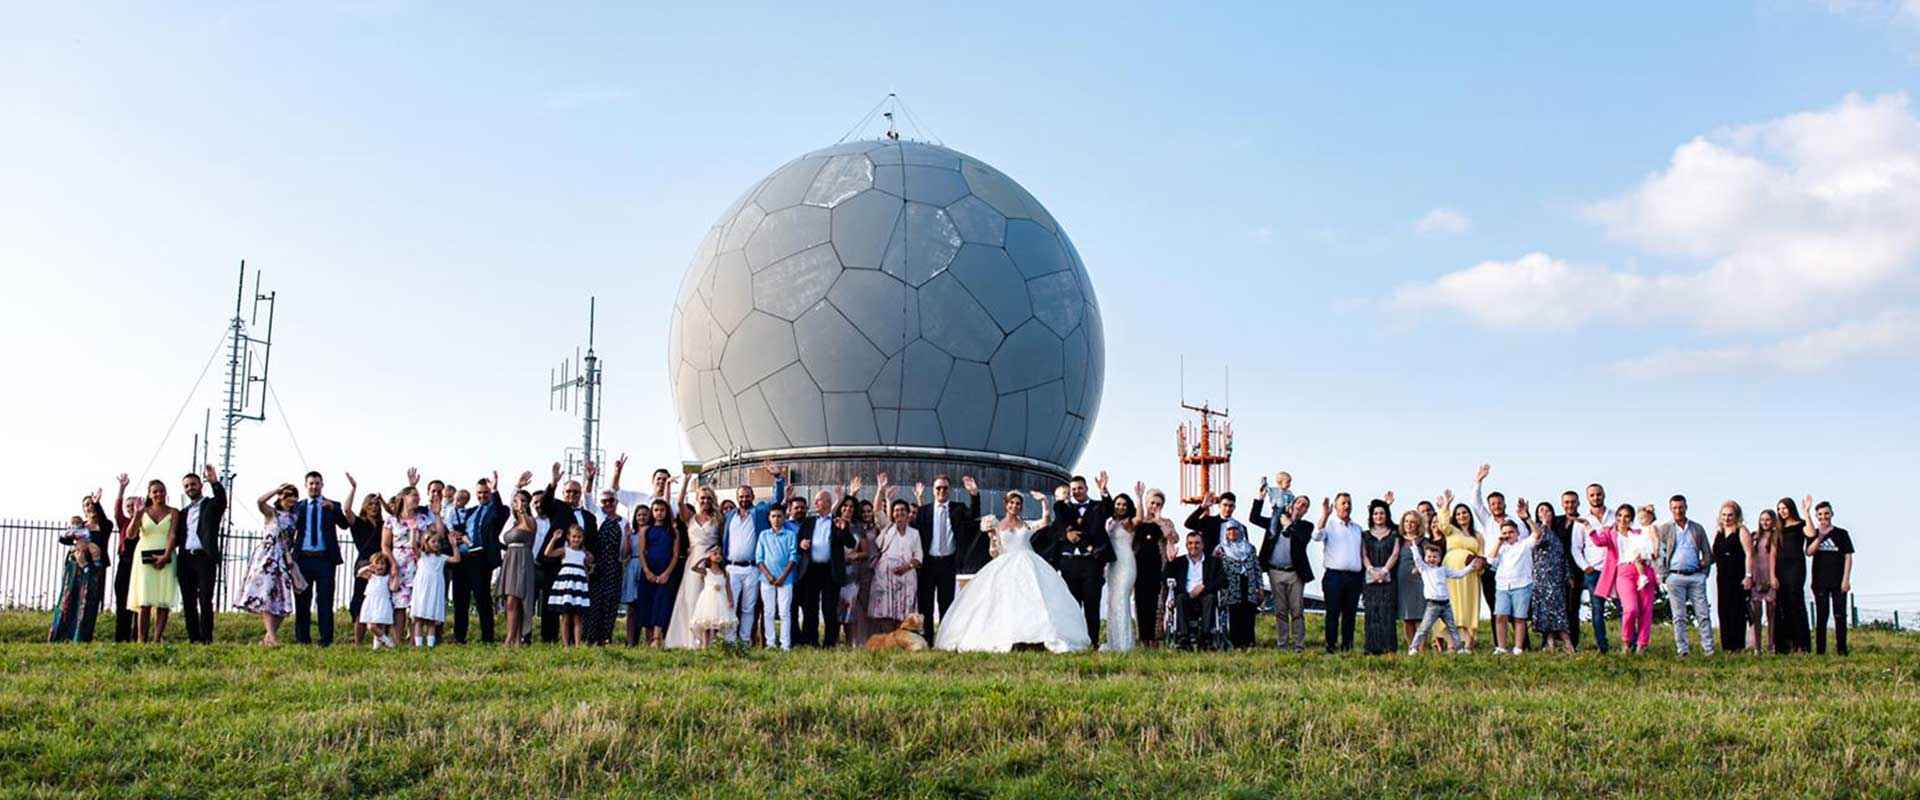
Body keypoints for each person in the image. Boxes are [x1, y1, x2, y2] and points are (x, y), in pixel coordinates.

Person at [935, 490, 1091, 652]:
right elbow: (994, 553)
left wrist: (1044, 501)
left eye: (1017, 504)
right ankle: (1012, 637)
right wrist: (991, 538)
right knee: (1006, 600)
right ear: (1006, 504)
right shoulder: (997, 525)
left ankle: (1035, 637)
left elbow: (1045, 521)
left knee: (1033, 599)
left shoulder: (1026, 525)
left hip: (1028, 562)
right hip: (1006, 563)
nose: (1014, 506)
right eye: (1011, 503)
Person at [717, 465, 787, 645]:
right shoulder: (729, 516)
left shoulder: (760, 512)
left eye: (747, 496)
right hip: (732, 567)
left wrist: (778, 478)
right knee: (730, 605)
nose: (744, 499)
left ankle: (744, 640)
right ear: (737, 498)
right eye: (741, 496)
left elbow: (777, 499)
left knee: (748, 607)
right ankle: (729, 641)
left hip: (752, 568)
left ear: (753, 497)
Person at [909, 475, 981, 644]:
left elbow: (973, 516)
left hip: (948, 563)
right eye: (938, 488)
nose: (942, 491)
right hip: (927, 564)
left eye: (945, 488)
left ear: (949, 490)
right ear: (933, 491)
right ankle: (927, 639)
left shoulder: (958, 508)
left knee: (946, 604)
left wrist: (974, 494)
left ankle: (944, 640)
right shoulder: (924, 511)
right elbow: (915, 534)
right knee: (925, 604)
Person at [540, 462, 600, 644]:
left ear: (580, 494)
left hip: (579, 567)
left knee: (576, 607)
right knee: (553, 603)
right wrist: (553, 483)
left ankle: (576, 642)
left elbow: (593, 541)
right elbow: (544, 504)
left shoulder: (589, 517)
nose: (571, 495)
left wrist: (591, 557)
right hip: (557, 563)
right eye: (568, 492)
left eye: (575, 492)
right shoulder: (557, 507)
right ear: (563, 493)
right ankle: (549, 639)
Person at [1049, 474, 1113, 643]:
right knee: (1072, 606)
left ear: (1086, 489)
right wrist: (1067, 534)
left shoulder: (1097, 506)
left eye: (1080, 488)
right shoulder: (1064, 508)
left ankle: (1093, 642)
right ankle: (1074, 641)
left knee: (1092, 605)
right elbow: (1056, 530)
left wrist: (1104, 491)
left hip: (1091, 562)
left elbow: (1109, 509)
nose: (1077, 491)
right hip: (1069, 563)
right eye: (1074, 489)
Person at [237, 483, 304, 646]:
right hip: (268, 557)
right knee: (267, 594)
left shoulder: (295, 517)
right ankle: (272, 637)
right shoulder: (272, 513)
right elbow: (260, 501)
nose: (291, 498)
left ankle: (269, 636)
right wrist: (276, 490)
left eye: (294, 495)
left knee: (283, 597)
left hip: (285, 558)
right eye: (287, 495)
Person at [452, 473, 515, 645]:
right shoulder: (470, 511)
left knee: (482, 599)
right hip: (462, 557)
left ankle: (487, 637)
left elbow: (500, 513)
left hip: (481, 558)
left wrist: (495, 490)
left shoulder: (497, 510)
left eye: (486, 492)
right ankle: (459, 637)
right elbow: (459, 527)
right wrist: (457, 536)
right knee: (460, 599)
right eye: (479, 493)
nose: (482, 496)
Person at [291, 471, 351, 647]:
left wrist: (334, 509)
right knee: (302, 600)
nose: (314, 486)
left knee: (325, 600)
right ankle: (302, 639)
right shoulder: (299, 507)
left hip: (325, 559)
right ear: (306, 485)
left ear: (322, 485)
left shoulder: (332, 505)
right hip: (303, 559)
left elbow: (345, 525)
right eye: (311, 483)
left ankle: (326, 639)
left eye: (317, 483)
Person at [796, 480, 859, 647]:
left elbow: (851, 543)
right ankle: (810, 640)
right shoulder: (809, 521)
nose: (815, 503)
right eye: (816, 500)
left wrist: (843, 529)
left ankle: (830, 643)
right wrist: (802, 544)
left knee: (829, 609)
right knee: (810, 608)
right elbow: (798, 542)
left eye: (819, 500)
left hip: (830, 571)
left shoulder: (838, 522)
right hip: (811, 570)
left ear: (828, 503)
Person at [1251, 489, 1314, 652]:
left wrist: (1289, 525)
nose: (1301, 506)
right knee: (1280, 610)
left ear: (1306, 511)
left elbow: (1301, 538)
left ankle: (1299, 645)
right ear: (1291, 504)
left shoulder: (1306, 526)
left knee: (1297, 610)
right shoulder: (1275, 521)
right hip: (1275, 571)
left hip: (1295, 573)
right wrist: (1260, 498)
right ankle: (1282, 645)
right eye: (1299, 502)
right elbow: (1254, 518)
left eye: (1305, 505)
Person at [665, 485, 726, 649]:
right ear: (697, 499)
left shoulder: (718, 519)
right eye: (702, 498)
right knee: (692, 598)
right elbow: (679, 502)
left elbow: (722, 541)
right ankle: (691, 639)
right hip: (693, 561)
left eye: (708, 498)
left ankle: (709, 640)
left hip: (711, 563)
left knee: (710, 600)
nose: (705, 501)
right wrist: (686, 480)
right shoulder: (690, 518)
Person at [1655, 494, 1715, 656]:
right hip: (1675, 576)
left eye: (1681, 507)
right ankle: (1682, 650)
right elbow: (1659, 553)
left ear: (1686, 507)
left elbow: (1707, 552)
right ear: (1670, 509)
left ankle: (1708, 649)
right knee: (1679, 616)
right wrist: (1664, 576)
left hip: (1696, 576)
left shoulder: (1697, 528)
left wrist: (1704, 572)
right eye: (1674, 508)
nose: (1678, 510)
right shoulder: (1665, 529)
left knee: (1703, 614)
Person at [49, 493, 113, 643]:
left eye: (92, 504)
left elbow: (103, 522)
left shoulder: (105, 525)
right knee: (69, 600)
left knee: (89, 601)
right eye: (87, 505)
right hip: (75, 566)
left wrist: (98, 503)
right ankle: (61, 637)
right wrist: (76, 545)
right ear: (83, 509)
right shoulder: (80, 526)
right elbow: (64, 538)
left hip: (94, 568)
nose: (90, 507)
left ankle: (81, 638)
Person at [173, 464, 225, 644]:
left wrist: (214, 482)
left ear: (200, 485)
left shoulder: (211, 505)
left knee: (205, 599)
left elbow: (222, 501)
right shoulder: (183, 512)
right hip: (185, 559)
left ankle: (206, 638)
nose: (190, 488)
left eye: (193, 484)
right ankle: (193, 637)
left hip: (205, 558)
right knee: (188, 601)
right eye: (186, 486)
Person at [126, 479, 182, 643]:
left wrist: (166, 555)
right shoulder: (142, 512)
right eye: (155, 491)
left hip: (166, 556)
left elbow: (173, 534)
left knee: (163, 599)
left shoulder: (173, 512)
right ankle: (141, 639)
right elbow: (130, 534)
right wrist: (136, 515)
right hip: (144, 557)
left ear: (166, 492)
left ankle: (157, 638)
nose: (159, 494)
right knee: (145, 599)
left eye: (161, 491)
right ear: (150, 494)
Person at [1407, 544, 1485, 655]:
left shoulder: (1443, 570)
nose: (1432, 559)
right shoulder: (1424, 569)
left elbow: (1458, 574)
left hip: (1446, 605)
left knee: (1453, 628)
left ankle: (1459, 648)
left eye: (1435, 557)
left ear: (1440, 558)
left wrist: (1471, 567)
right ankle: (1413, 647)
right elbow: (1418, 560)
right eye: (1429, 556)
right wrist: (1414, 547)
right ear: (1425, 558)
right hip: (1433, 605)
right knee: (1424, 628)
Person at [1315, 493, 1367, 653]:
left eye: (1349, 503)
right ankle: (1330, 646)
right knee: (1333, 613)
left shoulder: (1357, 529)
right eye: (1343, 503)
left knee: (1350, 614)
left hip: (1354, 577)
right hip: (1334, 576)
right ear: (1336, 506)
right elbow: (1316, 536)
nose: (1347, 506)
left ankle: (1347, 646)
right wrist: (1325, 515)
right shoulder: (1329, 525)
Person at [1433, 492, 1484, 652]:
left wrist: (1480, 564)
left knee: (1468, 604)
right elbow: (1442, 523)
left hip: (1470, 575)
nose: (1462, 516)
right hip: (1451, 572)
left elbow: (1481, 555)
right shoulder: (1451, 530)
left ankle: (1468, 643)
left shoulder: (1478, 535)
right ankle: (1452, 644)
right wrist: (1446, 505)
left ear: (1470, 515)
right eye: (1459, 513)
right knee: (1452, 605)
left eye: (1465, 513)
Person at [625, 500, 681, 646]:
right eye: (656, 510)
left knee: (662, 602)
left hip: (665, 570)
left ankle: (657, 638)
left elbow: (675, 555)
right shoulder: (646, 530)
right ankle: (649, 639)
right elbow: (641, 552)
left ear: (667, 512)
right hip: (649, 570)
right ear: (652, 512)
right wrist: (647, 571)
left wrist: (667, 573)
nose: (659, 513)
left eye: (662, 510)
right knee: (647, 603)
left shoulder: (673, 531)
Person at [1806, 498, 1854, 656]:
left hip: (1838, 581)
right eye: (1820, 514)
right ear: (1816, 516)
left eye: (1826, 513)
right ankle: (1820, 651)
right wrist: (1819, 538)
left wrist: (1846, 580)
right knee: (1822, 616)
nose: (1823, 517)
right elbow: (1809, 552)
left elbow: (1848, 557)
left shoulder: (1841, 534)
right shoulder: (1813, 533)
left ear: (1832, 514)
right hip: (1820, 582)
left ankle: (1842, 650)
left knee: (1840, 615)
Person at [384, 483, 431, 641]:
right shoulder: (392, 520)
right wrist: (393, 564)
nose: (417, 498)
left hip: (419, 563)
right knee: (399, 604)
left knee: (416, 603)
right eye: (414, 495)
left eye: (418, 496)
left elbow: (430, 540)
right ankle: (398, 640)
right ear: (404, 498)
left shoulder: (423, 519)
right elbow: (385, 545)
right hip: (399, 564)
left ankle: (414, 640)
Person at [1470, 465, 1519, 617]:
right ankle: (1498, 634)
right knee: (1495, 610)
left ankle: (1519, 634)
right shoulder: (1487, 520)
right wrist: (1478, 481)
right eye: (1493, 504)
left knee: (1514, 609)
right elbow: (1475, 503)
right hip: (1490, 569)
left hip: (1510, 568)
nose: (1496, 506)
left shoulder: (1514, 522)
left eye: (1499, 503)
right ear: (1489, 507)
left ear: (1504, 504)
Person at [1485, 518, 1539, 655]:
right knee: (1500, 616)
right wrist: (1498, 542)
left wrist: (1527, 519)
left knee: (1519, 617)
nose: (1508, 535)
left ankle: (1518, 647)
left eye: (1511, 532)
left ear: (1517, 533)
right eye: (1505, 533)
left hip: (1522, 585)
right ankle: (1501, 647)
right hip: (1502, 586)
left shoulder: (1524, 544)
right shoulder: (1500, 548)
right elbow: (1490, 560)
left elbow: (1537, 534)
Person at [869, 498, 922, 634]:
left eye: (903, 510)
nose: (900, 513)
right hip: (886, 578)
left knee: (904, 613)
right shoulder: (887, 528)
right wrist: (881, 490)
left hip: (907, 577)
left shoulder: (914, 533)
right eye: (896, 510)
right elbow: (877, 510)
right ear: (892, 514)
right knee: (886, 613)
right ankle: (889, 640)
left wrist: (907, 567)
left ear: (908, 513)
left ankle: (901, 639)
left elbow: (918, 557)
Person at [1525, 502, 1573, 652]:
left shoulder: (1557, 532)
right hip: (1542, 576)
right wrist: (1543, 524)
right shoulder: (1537, 530)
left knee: (1559, 608)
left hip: (1557, 576)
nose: (1545, 513)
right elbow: (1539, 540)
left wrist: (1568, 575)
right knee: (1546, 609)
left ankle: (1564, 642)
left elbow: (1563, 555)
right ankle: (1553, 642)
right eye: (1541, 510)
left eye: (1548, 510)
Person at [1166, 532, 1224, 651]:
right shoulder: (1179, 561)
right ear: (1186, 545)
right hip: (1185, 597)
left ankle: (1206, 638)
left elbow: (1222, 580)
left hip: (1205, 596)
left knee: (1210, 598)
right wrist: (1170, 562)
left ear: (1203, 545)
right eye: (1190, 543)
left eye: (1197, 543)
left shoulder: (1213, 561)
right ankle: (1183, 639)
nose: (1194, 546)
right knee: (1180, 598)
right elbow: (1165, 578)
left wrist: (1203, 586)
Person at [1101, 492, 1144, 652]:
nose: (1121, 507)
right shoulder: (1109, 522)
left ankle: (1125, 643)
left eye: (1124, 505)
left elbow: (1139, 518)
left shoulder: (1129, 522)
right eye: (1118, 504)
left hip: (1126, 563)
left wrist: (1139, 497)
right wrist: (1104, 490)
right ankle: (1114, 642)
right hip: (1112, 565)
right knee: (1112, 601)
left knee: (1122, 599)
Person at [755, 504, 801, 650]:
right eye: (773, 516)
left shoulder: (790, 535)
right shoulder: (764, 535)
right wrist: (768, 576)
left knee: (784, 612)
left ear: (784, 517)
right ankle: (770, 643)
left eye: (779, 516)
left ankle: (785, 644)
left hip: (785, 580)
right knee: (768, 612)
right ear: (769, 518)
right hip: (766, 579)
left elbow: (793, 557)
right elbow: (759, 559)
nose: (776, 519)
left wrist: (783, 576)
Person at [497, 490, 539, 647]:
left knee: (516, 599)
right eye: (516, 501)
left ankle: (511, 639)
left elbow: (529, 528)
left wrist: (522, 512)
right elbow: (502, 537)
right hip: (510, 560)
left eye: (523, 500)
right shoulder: (512, 523)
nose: (519, 503)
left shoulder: (530, 520)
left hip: (522, 560)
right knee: (510, 601)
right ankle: (514, 639)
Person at [1130, 483, 1170, 649]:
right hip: (1139, 568)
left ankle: (1156, 640)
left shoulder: (1165, 522)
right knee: (1140, 604)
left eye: (1158, 504)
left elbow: (1173, 537)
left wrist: (1159, 521)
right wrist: (1139, 498)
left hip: (1158, 569)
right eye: (1152, 503)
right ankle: (1142, 640)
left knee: (1158, 605)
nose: (1155, 506)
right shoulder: (1138, 521)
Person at [1360, 499, 1400, 656]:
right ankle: (1371, 648)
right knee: (1372, 612)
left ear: (1387, 515)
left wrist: (1384, 571)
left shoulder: (1394, 533)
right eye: (1375, 513)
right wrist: (1371, 570)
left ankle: (1388, 648)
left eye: (1382, 513)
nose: (1378, 516)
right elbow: (1363, 555)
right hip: (1370, 580)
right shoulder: (1365, 535)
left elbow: (1395, 554)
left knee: (1387, 612)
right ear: (1371, 516)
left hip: (1388, 579)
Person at [347, 482, 385, 647]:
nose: (374, 507)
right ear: (365, 506)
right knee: (360, 602)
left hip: (381, 564)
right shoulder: (359, 523)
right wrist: (353, 489)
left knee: (381, 601)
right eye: (370, 504)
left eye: (376, 504)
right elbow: (347, 510)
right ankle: (358, 643)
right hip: (364, 564)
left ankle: (381, 640)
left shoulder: (384, 525)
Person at [410, 527, 461, 648]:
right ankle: (419, 645)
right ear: (426, 542)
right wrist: (413, 532)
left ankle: (430, 645)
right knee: (419, 618)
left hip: (435, 589)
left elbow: (456, 559)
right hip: (422, 589)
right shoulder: (422, 556)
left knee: (432, 619)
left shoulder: (441, 557)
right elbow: (413, 546)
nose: (436, 544)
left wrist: (454, 546)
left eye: (438, 542)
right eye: (433, 541)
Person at [1217, 516, 1263, 650]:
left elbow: (1256, 568)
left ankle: (1249, 642)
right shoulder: (1221, 549)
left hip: (1249, 584)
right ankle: (1236, 643)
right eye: (1229, 530)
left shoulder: (1249, 548)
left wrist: (1260, 587)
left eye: (1235, 529)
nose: (1232, 532)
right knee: (1234, 613)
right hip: (1231, 585)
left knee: (1249, 612)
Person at [1773, 497, 1813, 653]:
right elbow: (1774, 551)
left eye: (1784, 508)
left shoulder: (1801, 524)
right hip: (1780, 568)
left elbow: (1811, 533)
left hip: (1796, 567)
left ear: (1791, 508)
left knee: (1796, 601)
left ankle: (1802, 644)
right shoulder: (1778, 529)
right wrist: (1773, 575)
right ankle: (1786, 645)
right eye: (1779, 509)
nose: (1781, 511)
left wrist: (1806, 512)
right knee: (1783, 604)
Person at [586, 489, 625, 645]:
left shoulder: (624, 522)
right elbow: (587, 496)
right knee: (595, 602)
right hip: (598, 566)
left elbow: (624, 551)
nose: (608, 504)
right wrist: (590, 479)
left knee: (610, 603)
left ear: (616, 502)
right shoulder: (597, 516)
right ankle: (590, 637)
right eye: (604, 501)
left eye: (611, 500)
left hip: (614, 566)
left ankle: (605, 637)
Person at [1578, 483, 1614, 653]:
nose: (1596, 497)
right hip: (1594, 571)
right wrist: (1585, 566)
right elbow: (1576, 547)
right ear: (1587, 498)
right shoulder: (1582, 520)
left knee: (1624, 607)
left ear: (1604, 494)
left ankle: (1630, 643)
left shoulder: (1615, 516)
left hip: (1614, 568)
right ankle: (1603, 646)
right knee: (1597, 609)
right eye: (1592, 495)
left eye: (1598, 494)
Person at [1712, 500, 1750, 653]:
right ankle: (1726, 647)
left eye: (1730, 515)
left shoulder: (1741, 531)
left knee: (1737, 610)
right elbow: (1715, 554)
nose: (1726, 518)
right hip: (1722, 577)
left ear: (1736, 516)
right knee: (1724, 609)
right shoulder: (1719, 533)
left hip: (1738, 576)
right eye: (1724, 515)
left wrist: (1748, 575)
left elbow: (1749, 554)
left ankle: (1738, 646)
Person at [545, 525, 593, 647]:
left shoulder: (583, 553)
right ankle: (566, 645)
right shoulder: (564, 550)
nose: (576, 539)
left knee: (578, 617)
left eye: (579, 537)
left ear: (582, 538)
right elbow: (548, 553)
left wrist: (586, 580)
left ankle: (577, 645)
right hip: (566, 584)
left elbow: (588, 565)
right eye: (574, 537)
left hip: (579, 584)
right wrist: (554, 539)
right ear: (568, 537)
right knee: (565, 616)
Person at [110, 475, 143, 642]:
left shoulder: (144, 523)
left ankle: (138, 636)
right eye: (128, 506)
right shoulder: (123, 522)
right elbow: (117, 511)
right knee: (122, 601)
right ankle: (121, 637)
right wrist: (122, 489)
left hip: (140, 565)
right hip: (125, 563)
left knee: (139, 603)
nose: (131, 508)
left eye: (134, 505)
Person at [1394, 511, 1433, 649]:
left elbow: (1431, 558)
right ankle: (1412, 648)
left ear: (1418, 524)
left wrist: (1421, 566)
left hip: (1419, 581)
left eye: (1412, 522)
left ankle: (1422, 649)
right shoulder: (1399, 540)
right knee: (1407, 617)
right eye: (1406, 521)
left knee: (1420, 617)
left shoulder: (1424, 541)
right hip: (1402, 582)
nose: (1409, 525)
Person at [1746, 510, 1780, 653]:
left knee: (1771, 613)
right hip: (1756, 576)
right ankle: (1757, 647)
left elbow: (1774, 557)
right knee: (1756, 614)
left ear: (1773, 521)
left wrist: (1773, 577)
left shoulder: (1776, 536)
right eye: (1762, 520)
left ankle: (1771, 645)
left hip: (1770, 576)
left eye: (1768, 520)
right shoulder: (1754, 536)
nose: (1765, 522)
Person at [689, 551, 736, 648]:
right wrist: (702, 559)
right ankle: (705, 645)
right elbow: (693, 568)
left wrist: (730, 600)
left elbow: (728, 588)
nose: (718, 556)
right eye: (715, 554)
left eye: (719, 554)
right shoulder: (706, 571)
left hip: (720, 600)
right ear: (709, 557)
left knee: (716, 623)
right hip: (708, 600)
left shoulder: (725, 573)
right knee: (707, 623)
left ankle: (713, 644)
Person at [357, 553, 398, 649]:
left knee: (380, 626)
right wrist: (368, 567)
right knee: (371, 626)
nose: (380, 566)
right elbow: (359, 573)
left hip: (383, 603)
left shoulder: (387, 577)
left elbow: (393, 588)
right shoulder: (371, 576)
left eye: (382, 563)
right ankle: (387, 641)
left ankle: (376, 648)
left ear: (386, 566)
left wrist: (396, 576)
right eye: (377, 563)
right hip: (371, 602)